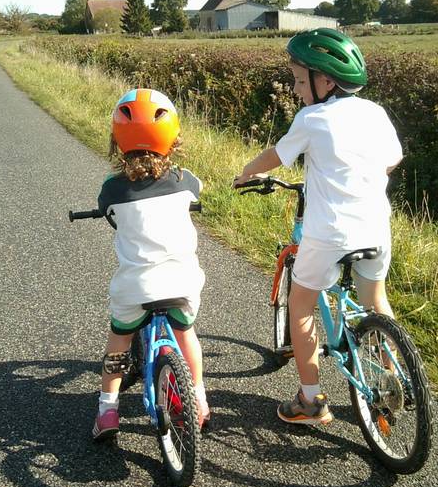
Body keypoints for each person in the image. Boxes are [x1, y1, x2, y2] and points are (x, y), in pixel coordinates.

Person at [233, 28, 403, 426]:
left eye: (297, 79)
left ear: (325, 80)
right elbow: (391, 160)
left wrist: (245, 173)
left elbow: (277, 155)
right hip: (376, 225)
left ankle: (310, 400)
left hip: (330, 233)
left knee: (302, 305)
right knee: (375, 300)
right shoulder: (375, 112)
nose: (295, 88)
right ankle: (394, 376)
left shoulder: (312, 117)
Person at [92, 88, 209, 441]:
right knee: (187, 335)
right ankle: (200, 400)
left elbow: (108, 212)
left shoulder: (112, 189)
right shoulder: (184, 180)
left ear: (117, 141)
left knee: (119, 342)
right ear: (173, 137)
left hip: (136, 287)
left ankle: (108, 408)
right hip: (182, 281)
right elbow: (198, 191)